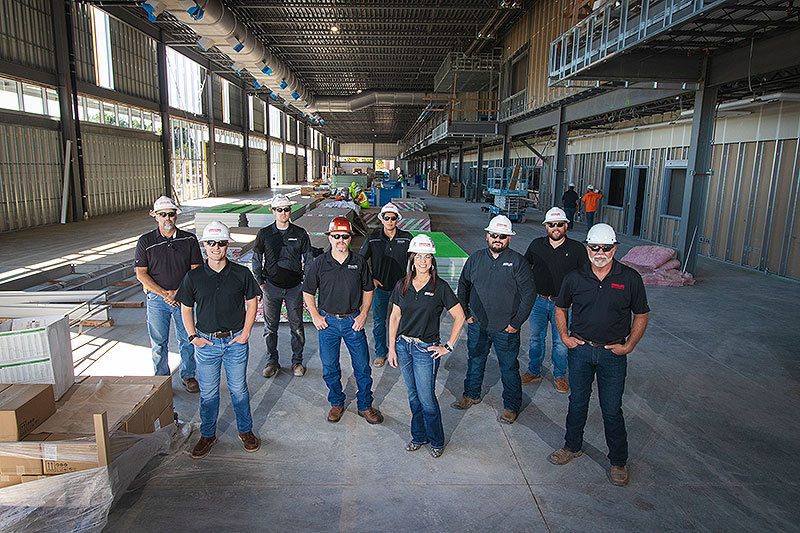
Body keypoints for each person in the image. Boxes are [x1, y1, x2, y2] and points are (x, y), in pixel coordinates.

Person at [548, 223, 650, 487]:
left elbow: (641, 313)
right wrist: (564, 337)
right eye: (594, 247)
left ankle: (618, 461)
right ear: (588, 247)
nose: (600, 252)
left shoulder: (629, 278)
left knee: (611, 409)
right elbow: (560, 308)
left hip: (612, 355)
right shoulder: (575, 277)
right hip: (581, 351)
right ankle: (572, 447)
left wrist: (629, 346)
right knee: (577, 402)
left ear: (614, 248)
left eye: (606, 248)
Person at [176, 221, 262, 459]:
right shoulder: (193, 277)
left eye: (221, 243)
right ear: (204, 246)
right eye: (211, 243)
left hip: (235, 342)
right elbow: (185, 308)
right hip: (207, 345)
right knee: (209, 393)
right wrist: (193, 336)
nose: (216, 247)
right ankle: (208, 434)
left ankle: (245, 431)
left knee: (239, 390)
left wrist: (246, 333)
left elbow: (252, 301)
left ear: (227, 245)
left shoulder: (241, 273)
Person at [387, 234, 466, 458]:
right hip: (404, 347)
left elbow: (459, 317)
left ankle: (436, 440)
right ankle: (418, 436)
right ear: (411, 259)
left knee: (427, 398)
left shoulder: (439, 287)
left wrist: (448, 346)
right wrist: (392, 347)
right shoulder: (402, 285)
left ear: (432, 260)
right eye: (418, 256)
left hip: (425, 350)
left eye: (427, 257)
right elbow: (394, 317)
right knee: (413, 396)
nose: (422, 261)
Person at [453, 215, 535, 424]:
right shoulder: (475, 259)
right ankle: (471, 394)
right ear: (487, 236)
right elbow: (462, 286)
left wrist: (516, 323)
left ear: (509, 239)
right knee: (475, 360)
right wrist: (466, 314)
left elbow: (529, 294)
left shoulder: (518, 262)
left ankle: (511, 406)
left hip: (505, 329)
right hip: (478, 324)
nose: (497, 239)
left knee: (508, 367)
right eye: (494, 235)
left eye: (502, 236)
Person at [302, 216, 384, 425]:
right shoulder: (319, 263)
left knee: (362, 367)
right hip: (327, 324)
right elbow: (308, 292)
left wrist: (364, 314)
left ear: (350, 238)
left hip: (352, 322)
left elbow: (368, 289)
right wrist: (315, 315)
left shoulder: (358, 262)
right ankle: (337, 402)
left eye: (344, 236)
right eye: (336, 236)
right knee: (330, 366)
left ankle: (365, 405)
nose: (340, 240)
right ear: (330, 238)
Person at [135, 196, 202, 393]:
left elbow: (196, 268)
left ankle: (188, 375)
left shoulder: (189, 239)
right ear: (155, 216)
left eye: (171, 214)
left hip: (184, 300)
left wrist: (178, 293)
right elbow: (141, 273)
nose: (167, 218)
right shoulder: (145, 241)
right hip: (157, 300)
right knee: (158, 342)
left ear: (176, 216)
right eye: (162, 214)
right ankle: (161, 380)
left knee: (187, 338)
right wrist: (165, 293)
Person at [522, 207, 588, 393]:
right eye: (552, 225)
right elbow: (525, 268)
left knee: (561, 342)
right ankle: (534, 370)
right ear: (546, 227)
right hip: (539, 301)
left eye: (559, 224)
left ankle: (559, 375)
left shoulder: (576, 249)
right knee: (536, 339)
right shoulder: (536, 245)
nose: (556, 228)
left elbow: (586, 276)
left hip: (564, 305)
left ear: (566, 226)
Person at [252, 194, 314, 378]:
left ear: (290, 211)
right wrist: (261, 282)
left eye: (286, 209)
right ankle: (272, 361)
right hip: (271, 287)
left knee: (297, 327)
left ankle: (297, 362)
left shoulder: (300, 233)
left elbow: (309, 259)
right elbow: (257, 259)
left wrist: (306, 283)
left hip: (295, 288)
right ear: (273, 211)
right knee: (270, 328)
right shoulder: (264, 234)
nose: (283, 213)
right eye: (279, 209)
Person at [358, 202, 412, 367]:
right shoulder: (373, 239)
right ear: (381, 219)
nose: (390, 221)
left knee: (402, 322)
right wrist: (370, 279)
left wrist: (410, 281)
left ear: (397, 220)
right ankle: (381, 353)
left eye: (393, 218)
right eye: (386, 218)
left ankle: (400, 352)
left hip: (401, 289)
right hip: (380, 289)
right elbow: (360, 261)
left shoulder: (407, 238)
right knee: (380, 322)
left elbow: (417, 261)